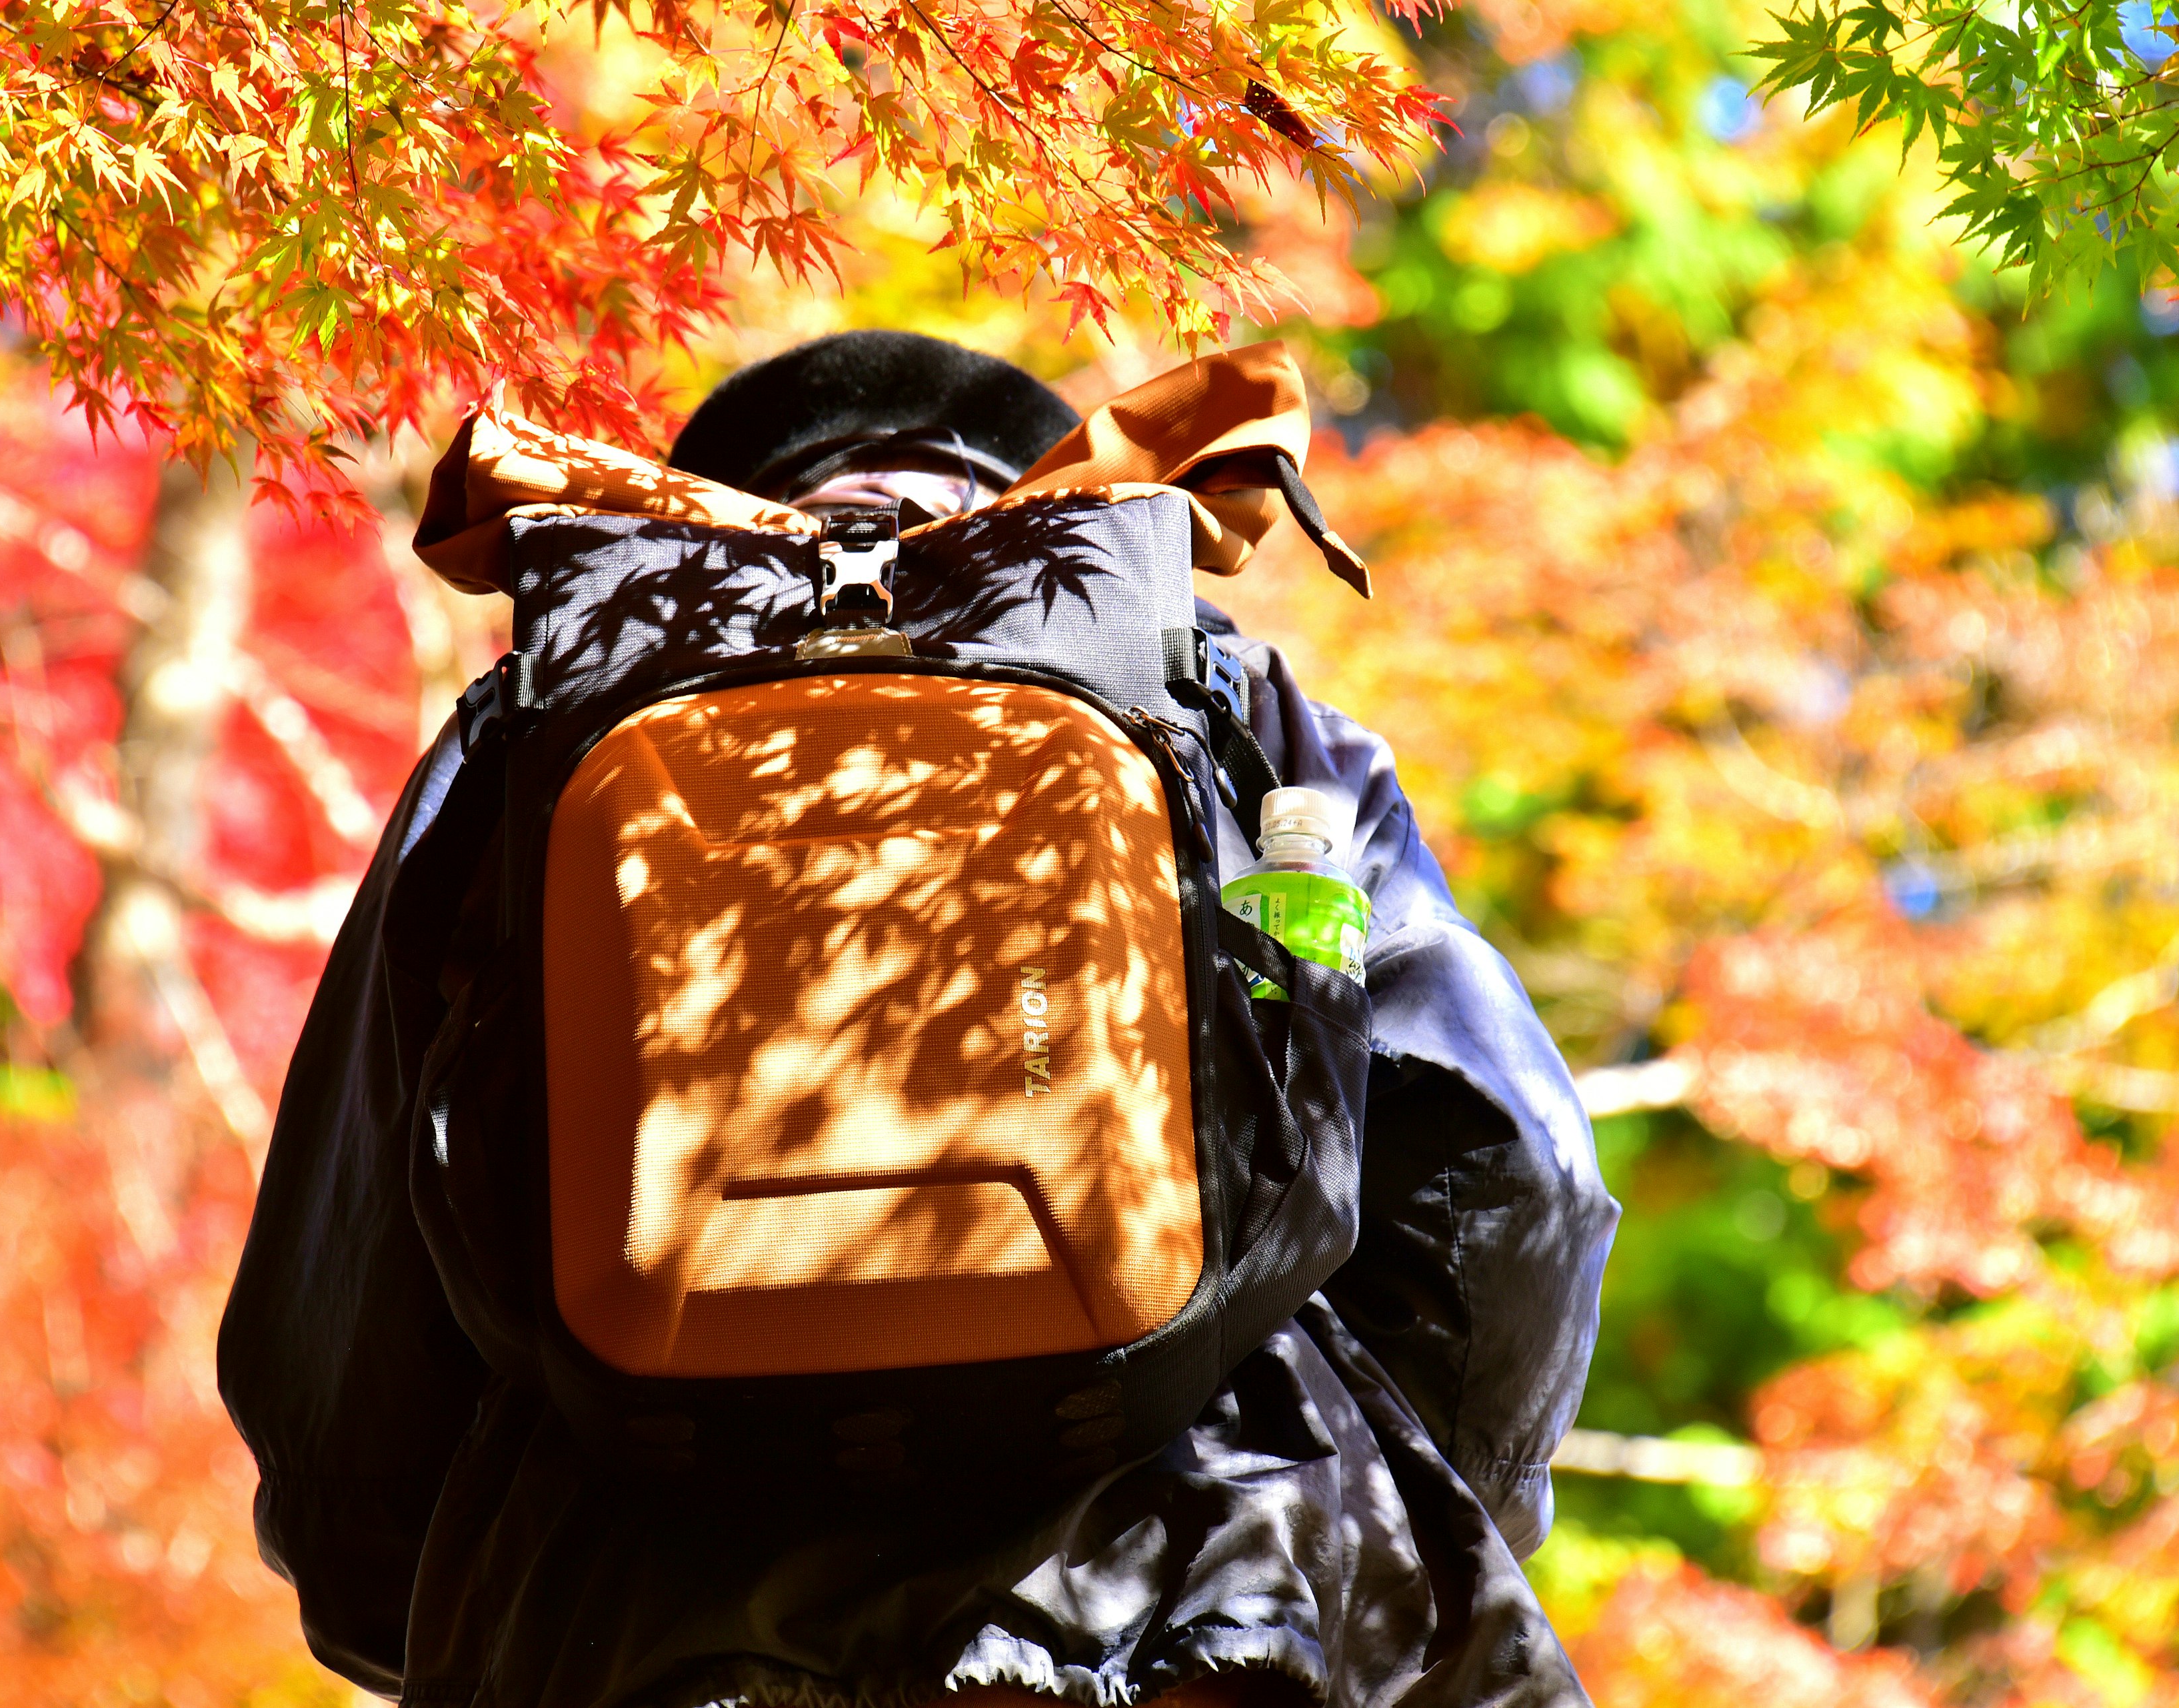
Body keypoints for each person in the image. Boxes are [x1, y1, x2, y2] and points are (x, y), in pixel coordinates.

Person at [219, 331, 1619, 1708]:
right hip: (1206, 1594)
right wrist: (1417, 1501)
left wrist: (444, 1602)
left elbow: (344, 1329)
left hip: (633, 1613)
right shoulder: (1224, 702)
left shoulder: (536, 735)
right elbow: (1512, 1170)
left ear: (728, 523)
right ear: (1044, 503)